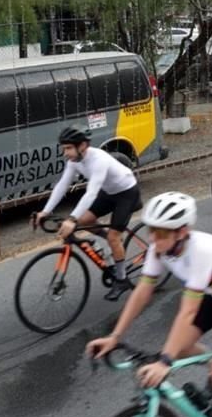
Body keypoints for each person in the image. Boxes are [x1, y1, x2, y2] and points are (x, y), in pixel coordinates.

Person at [86, 192, 212, 417]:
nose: (152, 239)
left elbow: (187, 311)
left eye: (160, 234)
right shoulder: (159, 249)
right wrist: (114, 336)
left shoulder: (201, 250)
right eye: (151, 231)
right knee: (181, 348)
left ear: (181, 232)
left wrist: (164, 362)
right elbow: (142, 292)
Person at [34, 125, 142, 301]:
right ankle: (113, 241)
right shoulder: (74, 162)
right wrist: (45, 211)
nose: (65, 153)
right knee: (84, 221)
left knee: (113, 237)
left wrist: (71, 219)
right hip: (108, 192)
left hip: (127, 192)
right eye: (64, 148)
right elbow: (62, 185)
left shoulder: (99, 159)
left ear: (82, 145)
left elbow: (91, 192)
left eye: (68, 148)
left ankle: (122, 280)